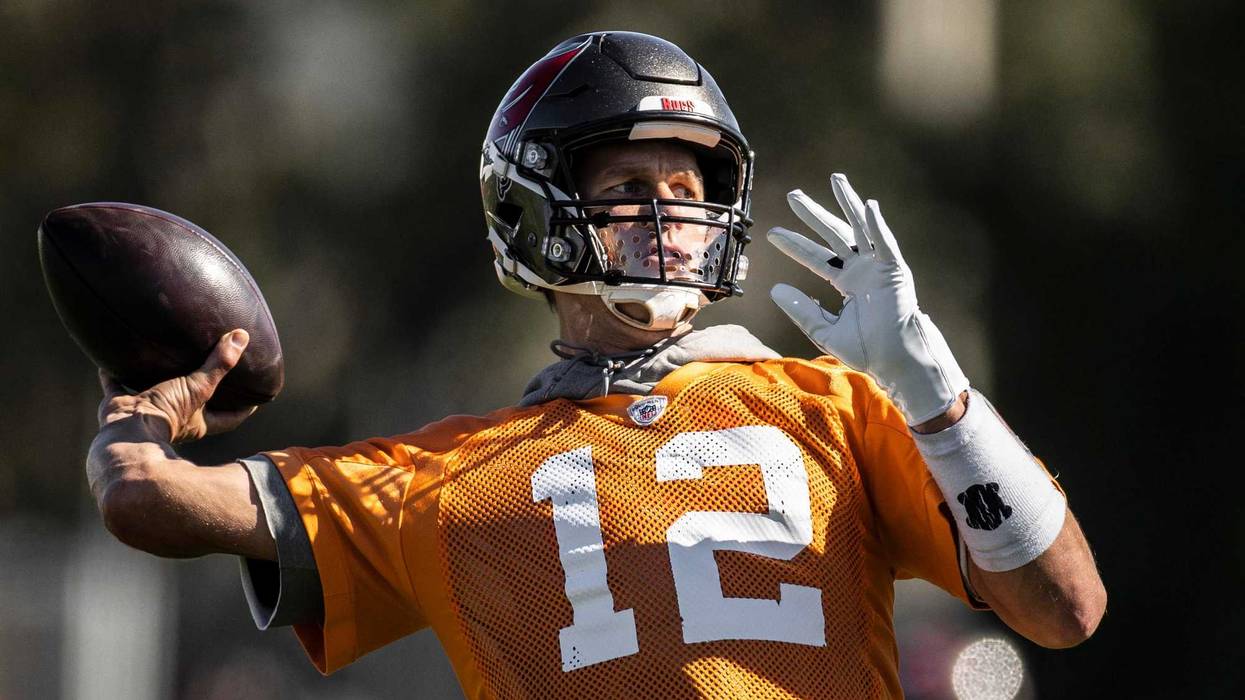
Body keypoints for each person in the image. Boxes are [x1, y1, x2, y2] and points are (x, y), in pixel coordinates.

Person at [87, 32, 1106, 698]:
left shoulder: (838, 406)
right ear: (533, 213)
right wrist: (145, 410)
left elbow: (1063, 607)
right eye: (631, 185)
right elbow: (149, 500)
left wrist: (936, 392)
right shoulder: (445, 473)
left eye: (688, 185)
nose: (670, 219)